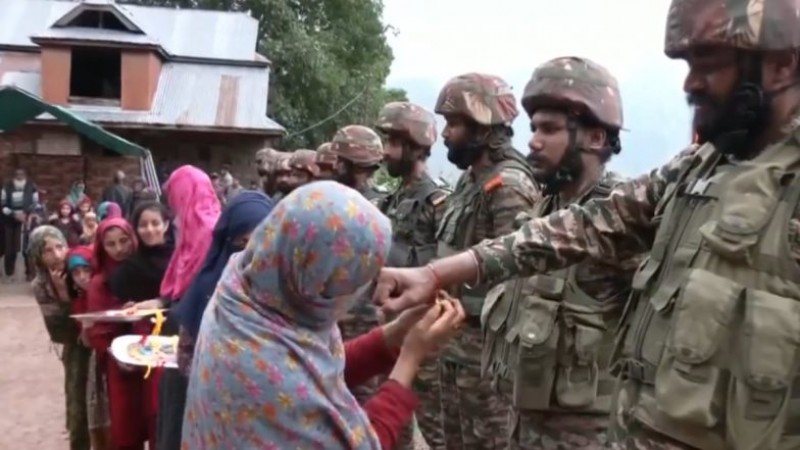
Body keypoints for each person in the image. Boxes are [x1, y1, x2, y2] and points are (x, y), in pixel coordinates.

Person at [376, 1, 800, 448]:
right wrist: (437, 273)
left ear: (782, 64)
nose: (691, 84)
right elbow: (585, 225)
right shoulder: (699, 165)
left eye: (709, 65)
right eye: (688, 65)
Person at [181, 181, 466, 449]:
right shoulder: (264, 368)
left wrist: (396, 334)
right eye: (352, 284)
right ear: (317, 278)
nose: (356, 296)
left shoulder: (249, 286)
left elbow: (315, 370)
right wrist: (411, 357)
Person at [482, 57, 643, 449]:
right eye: (533, 128)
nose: (533, 141)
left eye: (550, 129)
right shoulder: (542, 210)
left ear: (596, 138)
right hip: (526, 426)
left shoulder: (624, 221)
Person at [432, 72, 541, 449]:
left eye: (454, 123)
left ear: (483, 128)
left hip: (486, 359)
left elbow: (518, 275)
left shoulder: (508, 187)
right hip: (455, 348)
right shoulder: (469, 182)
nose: (445, 133)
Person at [374, 101, 449, 448]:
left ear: (416, 146)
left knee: (437, 433)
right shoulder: (390, 201)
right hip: (391, 330)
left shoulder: (438, 203)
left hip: (425, 337)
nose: (385, 151)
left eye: (393, 142)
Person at [174, 190, 275, 373]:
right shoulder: (205, 291)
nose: (250, 255)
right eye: (242, 242)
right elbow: (186, 356)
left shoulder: (283, 292)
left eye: (260, 242)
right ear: (227, 241)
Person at [85, 218, 150, 450]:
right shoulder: (99, 283)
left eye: (124, 241)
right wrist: (115, 354)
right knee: (125, 425)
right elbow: (96, 329)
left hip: (150, 356)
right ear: (102, 247)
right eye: (111, 244)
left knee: (154, 417)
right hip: (118, 363)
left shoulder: (146, 270)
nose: (119, 249)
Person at [29, 226, 91, 450]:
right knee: (78, 402)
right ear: (38, 256)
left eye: (60, 246)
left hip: (101, 338)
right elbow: (60, 333)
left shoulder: (81, 267)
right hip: (75, 346)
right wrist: (64, 295)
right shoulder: (42, 285)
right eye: (47, 251)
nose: (57, 255)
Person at [66, 245, 112, 450]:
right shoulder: (77, 303)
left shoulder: (108, 289)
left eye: (86, 270)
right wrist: (86, 329)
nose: (83, 277)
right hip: (95, 364)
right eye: (76, 273)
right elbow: (85, 341)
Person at [329, 124, 389, 206]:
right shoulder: (331, 197)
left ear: (359, 167)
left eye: (341, 162)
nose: (335, 166)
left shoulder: (378, 205)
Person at [1, 167, 38, 280]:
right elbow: (2, 205)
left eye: (21, 174)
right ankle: (9, 273)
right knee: (9, 248)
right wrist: (14, 214)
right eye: (17, 174)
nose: (19, 176)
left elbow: (35, 203)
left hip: (26, 220)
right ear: (14, 175)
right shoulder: (6, 186)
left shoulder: (31, 186)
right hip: (8, 221)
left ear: (25, 175)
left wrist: (26, 214)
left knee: (23, 248)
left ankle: (28, 273)